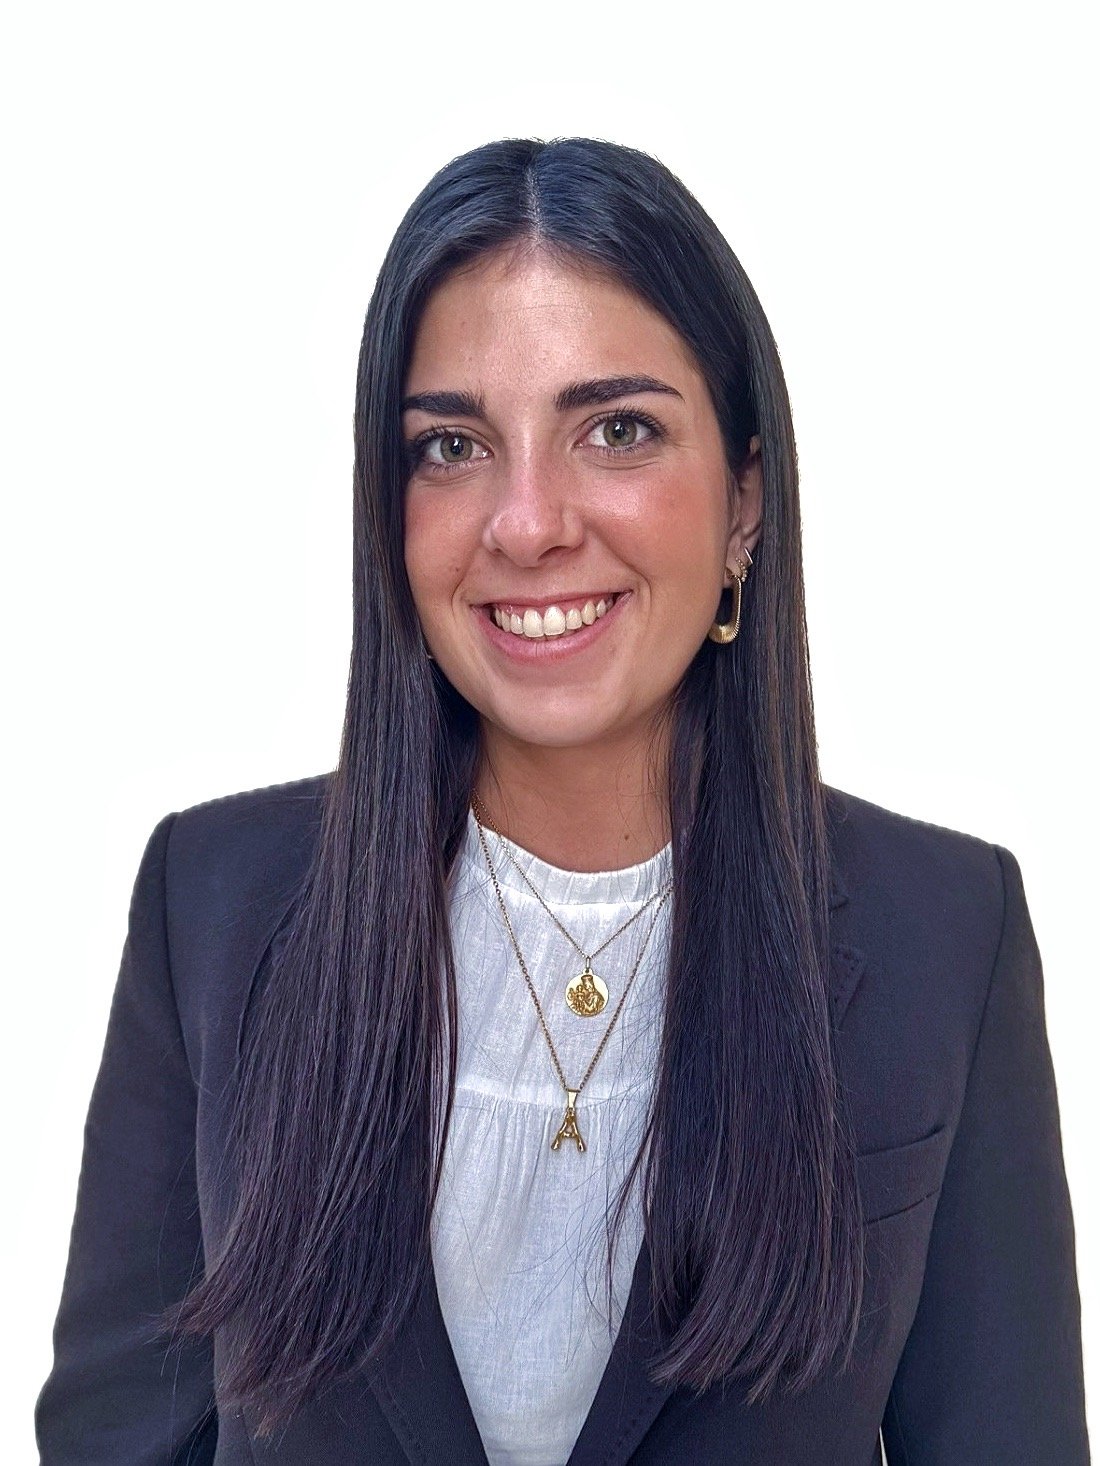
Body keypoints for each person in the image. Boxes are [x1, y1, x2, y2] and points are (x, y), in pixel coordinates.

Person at [36, 138, 1090, 1465]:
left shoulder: (944, 929)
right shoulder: (214, 901)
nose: (527, 522)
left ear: (745, 501)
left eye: (617, 430)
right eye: (452, 445)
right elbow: (120, 1441)